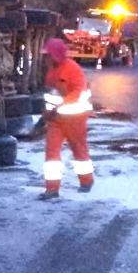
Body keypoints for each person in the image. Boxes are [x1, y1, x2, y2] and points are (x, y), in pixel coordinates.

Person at [39, 38, 94, 200]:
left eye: (48, 55)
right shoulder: (51, 71)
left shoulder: (73, 69)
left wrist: (59, 106)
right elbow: (50, 96)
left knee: (79, 151)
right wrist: (47, 113)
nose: (46, 59)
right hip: (56, 120)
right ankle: (52, 189)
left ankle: (86, 181)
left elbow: (77, 92)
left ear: (56, 55)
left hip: (75, 119)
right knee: (51, 152)